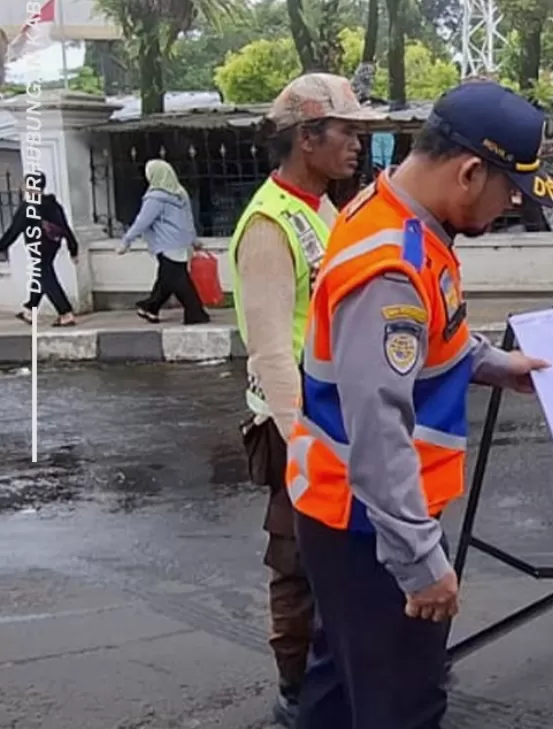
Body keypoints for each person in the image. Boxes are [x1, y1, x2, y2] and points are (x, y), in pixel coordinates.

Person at [287, 80, 553, 729]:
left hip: (344, 516)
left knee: (337, 687)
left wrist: (495, 365)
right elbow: (378, 430)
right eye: (508, 194)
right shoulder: (391, 267)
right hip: (368, 527)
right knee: (403, 704)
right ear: (469, 172)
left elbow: (429, 344)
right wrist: (420, 562)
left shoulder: (397, 219)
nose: (506, 209)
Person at [227, 72, 376, 728]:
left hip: (333, 417)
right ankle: (296, 691)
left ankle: (339, 669)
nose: (357, 144)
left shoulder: (324, 208)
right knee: (295, 563)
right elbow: (269, 350)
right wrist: (303, 439)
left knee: (336, 558)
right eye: (346, 131)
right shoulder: (269, 222)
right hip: (294, 424)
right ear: (307, 137)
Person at [118, 159, 210, 325]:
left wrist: (126, 240)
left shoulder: (155, 197)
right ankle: (151, 308)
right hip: (181, 243)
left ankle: (195, 313)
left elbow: (142, 221)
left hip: (166, 243)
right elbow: (189, 219)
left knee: (177, 280)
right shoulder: (180, 193)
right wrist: (193, 239)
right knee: (167, 278)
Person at [0, 172, 79, 327]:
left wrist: (1, 246)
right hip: (53, 244)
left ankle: (65, 313)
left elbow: (13, 231)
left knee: (46, 276)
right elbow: (65, 228)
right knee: (42, 273)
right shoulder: (53, 204)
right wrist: (73, 248)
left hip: (38, 246)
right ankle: (30, 310)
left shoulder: (28, 206)